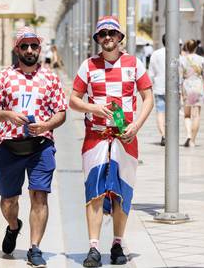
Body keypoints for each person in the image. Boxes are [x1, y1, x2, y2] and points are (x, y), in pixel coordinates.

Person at [69, 16, 154, 267]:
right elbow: (73, 99)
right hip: (96, 137)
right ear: (97, 39)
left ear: (119, 38)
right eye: (102, 34)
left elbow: (147, 97)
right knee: (94, 192)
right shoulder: (88, 66)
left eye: (112, 33)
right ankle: (94, 247)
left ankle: (117, 244)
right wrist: (93, 108)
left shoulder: (134, 64)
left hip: (125, 138)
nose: (107, 37)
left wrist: (136, 126)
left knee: (121, 192)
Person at [0, 26, 67, 267]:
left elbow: (61, 112)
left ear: (40, 49)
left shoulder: (51, 77)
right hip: (10, 147)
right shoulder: (3, 77)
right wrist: (8, 114)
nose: (29, 50)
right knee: (8, 201)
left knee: (39, 196)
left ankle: (35, 248)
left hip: (41, 146)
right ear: (16, 49)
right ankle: (13, 226)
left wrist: (47, 125)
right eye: (24, 45)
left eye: (34, 45)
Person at [179, 39, 204, 147]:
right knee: (196, 116)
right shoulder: (201, 59)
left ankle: (188, 134)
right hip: (197, 86)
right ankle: (193, 140)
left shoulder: (182, 60)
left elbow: (179, 76)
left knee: (187, 115)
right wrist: (201, 80)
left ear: (186, 48)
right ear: (196, 47)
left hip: (186, 87)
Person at [148, 34, 167, 146]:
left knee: (160, 112)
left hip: (159, 87)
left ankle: (163, 135)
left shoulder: (155, 54)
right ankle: (170, 135)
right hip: (173, 89)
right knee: (172, 113)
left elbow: (150, 73)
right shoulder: (176, 54)